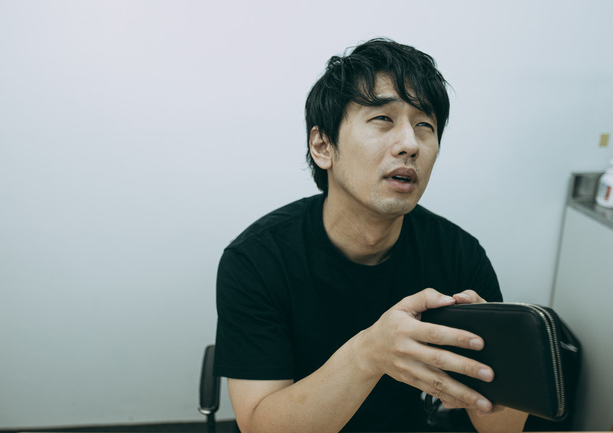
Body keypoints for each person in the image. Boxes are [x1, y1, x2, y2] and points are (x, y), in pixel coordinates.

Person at [214, 38, 528, 432]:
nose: (410, 144)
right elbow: (260, 426)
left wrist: (496, 358)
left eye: (424, 125)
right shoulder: (257, 260)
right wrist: (370, 354)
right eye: (382, 119)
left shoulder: (458, 254)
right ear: (323, 145)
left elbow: (504, 430)